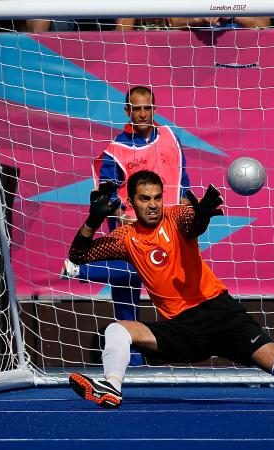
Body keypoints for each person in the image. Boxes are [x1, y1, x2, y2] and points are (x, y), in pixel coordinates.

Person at [66, 170, 274, 408]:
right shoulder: (124, 237)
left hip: (220, 313)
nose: (154, 204)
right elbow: (78, 256)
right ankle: (112, 389)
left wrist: (202, 215)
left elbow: (192, 224)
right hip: (182, 328)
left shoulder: (174, 216)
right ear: (132, 201)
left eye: (157, 197)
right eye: (145, 199)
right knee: (117, 330)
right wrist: (93, 220)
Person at [61, 86, 192, 365]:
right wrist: (122, 216)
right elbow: (106, 193)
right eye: (136, 108)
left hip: (170, 227)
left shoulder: (170, 137)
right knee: (128, 292)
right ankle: (130, 361)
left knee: (156, 280)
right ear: (127, 111)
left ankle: (82, 270)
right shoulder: (116, 151)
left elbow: (183, 180)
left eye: (147, 108)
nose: (142, 114)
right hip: (133, 229)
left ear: (154, 110)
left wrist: (189, 208)